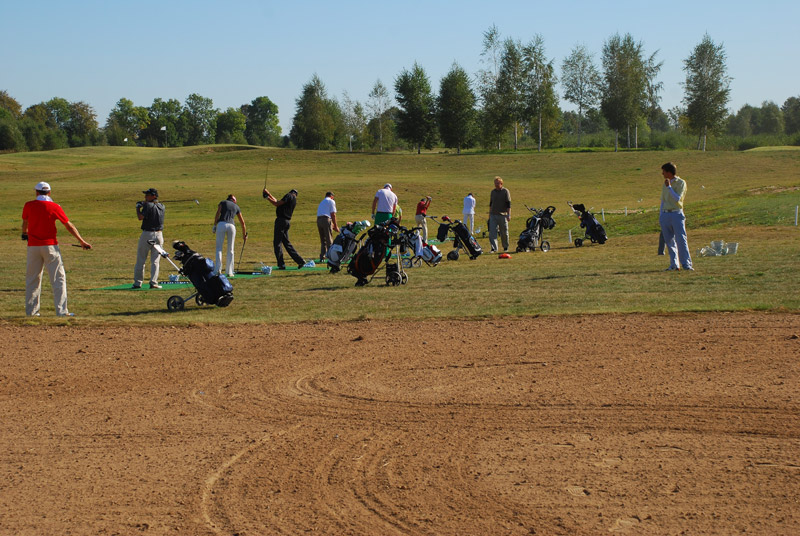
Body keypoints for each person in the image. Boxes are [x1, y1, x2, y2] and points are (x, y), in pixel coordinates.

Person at [22, 181, 91, 317]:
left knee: (32, 279)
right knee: (58, 279)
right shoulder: (54, 206)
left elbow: (25, 222)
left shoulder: (28, 205)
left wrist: (25, 234)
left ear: (36, 192)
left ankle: (32, 312)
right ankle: (61, 311)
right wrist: (81, 241)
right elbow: (68, 225)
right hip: (50, 247)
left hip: (33, 247)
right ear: (49, 192)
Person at [659, 162, 693, 271]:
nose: (662, 173)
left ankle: (686, 264)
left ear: (669, 172)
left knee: (681, 239)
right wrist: (661, 215)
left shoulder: (681, 183)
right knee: (669, 241)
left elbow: (677, 198)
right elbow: (663, 201)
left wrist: (669, 188)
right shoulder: (665, 184)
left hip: (676, 213)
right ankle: (674, 264)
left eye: (664, 171)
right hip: (665, 214)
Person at [263, 187, 306, 269]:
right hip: (287, 222)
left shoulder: (289, 195)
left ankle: (281, 264)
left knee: (277, 243)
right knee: (286, 243)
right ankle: (300, 260)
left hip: (281, 221)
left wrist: (267, 198)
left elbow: (276, 204)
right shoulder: (293, 199)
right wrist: (268, 194)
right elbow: (278, 201)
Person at [133, 187, 165, 289]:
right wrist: (145, 203)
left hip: (148, 234)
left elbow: (140, 217)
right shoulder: (162, 206)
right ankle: (154, 282)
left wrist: (138, 207)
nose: (145, 197)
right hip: (159, 235)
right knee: (155, 261)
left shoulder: (147, 206)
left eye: (147, 195)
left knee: (141, 259)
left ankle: (138, 283)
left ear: (154, 196)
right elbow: (151, 206)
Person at [213, 194, 247, 277]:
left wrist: (214, 225)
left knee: (219, 248)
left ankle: (217, 270)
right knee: (231, 249)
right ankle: (229, 271)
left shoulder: (223, 202)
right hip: (232, 226)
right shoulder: (236, 206)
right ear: (234, 200)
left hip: (221, 224)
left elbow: (218, 213)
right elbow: (242, 223)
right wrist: (244, 235)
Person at [488, 176, 511, 252]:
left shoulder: (505, 191)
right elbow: (491, 203)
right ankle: (494, 248)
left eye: (498, 183)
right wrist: (489, 214)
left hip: (503, 214)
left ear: (501, 183)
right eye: (495, 183)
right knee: (492, 232)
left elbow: (508, 204)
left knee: (504, 232)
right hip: (493, 214)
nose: (496, 184)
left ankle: (505, 247)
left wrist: (509, 214)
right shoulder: (493, 192)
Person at [316, 191, 339, 261]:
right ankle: (331, 256)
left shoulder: (322, 202)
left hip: (319, 220)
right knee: (329, 239)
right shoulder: (331, 201)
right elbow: (333, 214)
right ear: (332, 196)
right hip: (326, 219)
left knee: (323, 240)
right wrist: (335, 225)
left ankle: (322, 256)